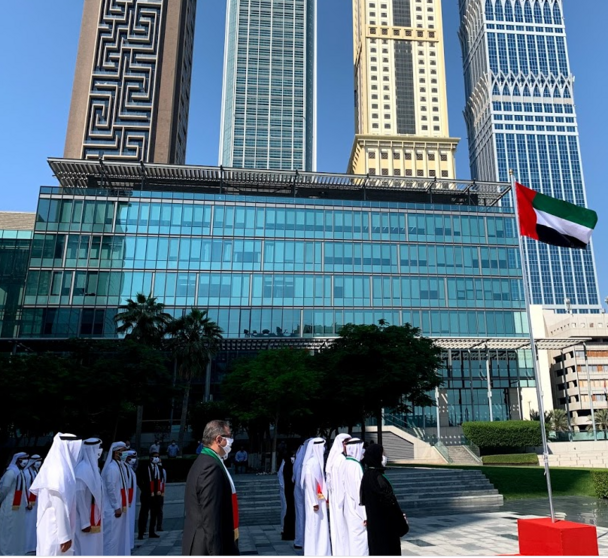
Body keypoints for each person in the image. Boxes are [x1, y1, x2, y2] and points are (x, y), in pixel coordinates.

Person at [182, 420, 239, 556]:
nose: (231, 441)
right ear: (218, 439)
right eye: (229, 436)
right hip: (206, 547)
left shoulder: (207, 461)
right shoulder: (210, 467)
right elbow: (211, 517)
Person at [30, 433, 83, 556]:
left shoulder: (60, 468)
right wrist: (64, 536)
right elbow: (59, 504)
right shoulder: (58, 471)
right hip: (55, 531)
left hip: (55, 529)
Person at [360, 444, 407, 556]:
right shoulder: (378, 478)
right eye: (382, 454)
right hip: (386, 528)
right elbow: (390, 504)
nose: (384, 457)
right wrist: (402, 522)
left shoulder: (367, 476)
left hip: (374, 526)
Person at [73, 438, 104, 556]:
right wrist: (85, 522)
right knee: (85, 550)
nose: (100, 451)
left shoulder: (94, 469)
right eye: (98, 448)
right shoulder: (82, 470)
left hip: (95, 520)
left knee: (94, 549)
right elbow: (79, 496)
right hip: (84, 522)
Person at [301, 437, 330, 556]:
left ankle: (322, 552)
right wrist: (314, 502)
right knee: (314, 528)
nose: (324, 449)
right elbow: (309, 483)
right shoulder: (310, 463)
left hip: (319, 500)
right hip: (315, 503)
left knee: (321, 528)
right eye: (322, 446)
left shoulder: (317, 462)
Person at [101, 441, 130, 556]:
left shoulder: (120, 466)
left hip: (119, 508)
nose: (125, 453)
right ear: (116, 452)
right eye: (123, 451)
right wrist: (116, 506)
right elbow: (110, 488)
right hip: (113, 509)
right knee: (111, 539)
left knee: (118, 538)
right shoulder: (112, 468)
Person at [341, 438, 368, 556]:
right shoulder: (355, 466)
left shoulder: (345, 463)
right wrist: (365, 515)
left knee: (352, 539)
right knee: (359, 541)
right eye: (361, 448)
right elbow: (359, 493)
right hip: (356, 510)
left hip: (348, 507)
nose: (362, 451)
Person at [325, 434, 351, 556]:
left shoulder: (335, 459)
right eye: (346, 443)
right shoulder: (341, 460)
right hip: (341, 499)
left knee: (337, 528)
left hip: (336, 499)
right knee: (342, 528)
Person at [0, 452, 29, 556]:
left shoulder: (20, 473)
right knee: (7, 530)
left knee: (16, 530)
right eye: (23, 459)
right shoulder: (11, 473)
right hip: (9, 506)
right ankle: (5, 553)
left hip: (18, 507)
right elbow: (4, 489)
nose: (25, 461)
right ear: (17, 460)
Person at [137, 452, 163, 540]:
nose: (157, 458)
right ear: (150, 458)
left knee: (154, 513)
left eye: (158, 457)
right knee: (144, 513)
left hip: (156, 494)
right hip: (147, 493)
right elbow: (139, 479)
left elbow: (161, 479)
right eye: (155, 457)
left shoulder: (159, 467)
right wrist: (144, 489)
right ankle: (141, 532)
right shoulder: (145, 467)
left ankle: (152, 531)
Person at [292, 438, 311, 550]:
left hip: (300, 492)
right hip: (304, 494)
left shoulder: (300, 461)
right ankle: (302, 539)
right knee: (304, 517)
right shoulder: (307, 463)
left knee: (300, 516)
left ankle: (300, 540)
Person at [24, 453, 42, 554]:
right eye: (37, 461)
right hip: (29, 504)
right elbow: (26, 489)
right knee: (28, 525)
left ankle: (33, 544)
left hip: (36, 503)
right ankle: (27, 545)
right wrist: (28, 502)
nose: (39, 463)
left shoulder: (36, 472)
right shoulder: (27, 473)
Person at [279, 450, 296, 541]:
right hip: (286, 491)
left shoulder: (288, 463)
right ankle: (283, 528)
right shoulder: (286, 464)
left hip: (288, 491)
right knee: (285, 510)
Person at [124, 451, 138, 551]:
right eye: (130, 457)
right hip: (126, 501)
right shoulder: (124, 469)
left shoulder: (130, 470)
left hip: (131, 501)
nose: (132, 459)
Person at [155, 456, 167, 533]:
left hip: (160, 492)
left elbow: (164, 481)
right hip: (154, 492)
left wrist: (162, 491)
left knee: (160, 510)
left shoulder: (163, 471)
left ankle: (159, 525)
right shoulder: (154, 470)